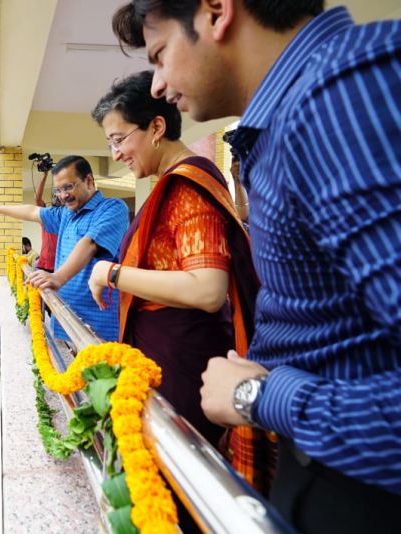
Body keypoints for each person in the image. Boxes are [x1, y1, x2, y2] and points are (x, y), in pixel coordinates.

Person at [114, 1, 401, 532]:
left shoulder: (341, 99)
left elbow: (207, 287)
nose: (158, 84)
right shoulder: (297, 115)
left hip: (361, 487)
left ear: (216, 11)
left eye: (160, 54)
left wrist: (258, 396)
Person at [88, 72, 259, 453]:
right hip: (170, 353)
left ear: (156, 127)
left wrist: (111, 273)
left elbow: (207, 289)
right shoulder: (171, 183)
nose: (115, 154)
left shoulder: (186, 187)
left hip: (184, 363)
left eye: (118, 139)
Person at [0, 155, 130, 341]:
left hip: (98, 327)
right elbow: (32, 211)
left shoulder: (113, 208)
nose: (63, 195)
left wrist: (57, 277)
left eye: (68, 187)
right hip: (63, 321)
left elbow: (89, 243)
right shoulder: (67, 214)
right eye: (58, 190)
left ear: (88, 181)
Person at [32, 170, 59, 273]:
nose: (56, 197)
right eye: (54, 195)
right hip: (44, 264)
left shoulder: (68, 216)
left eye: (58, 194)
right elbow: (37, 198)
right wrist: (44, 175)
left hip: (60, 266)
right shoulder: (46, 215)